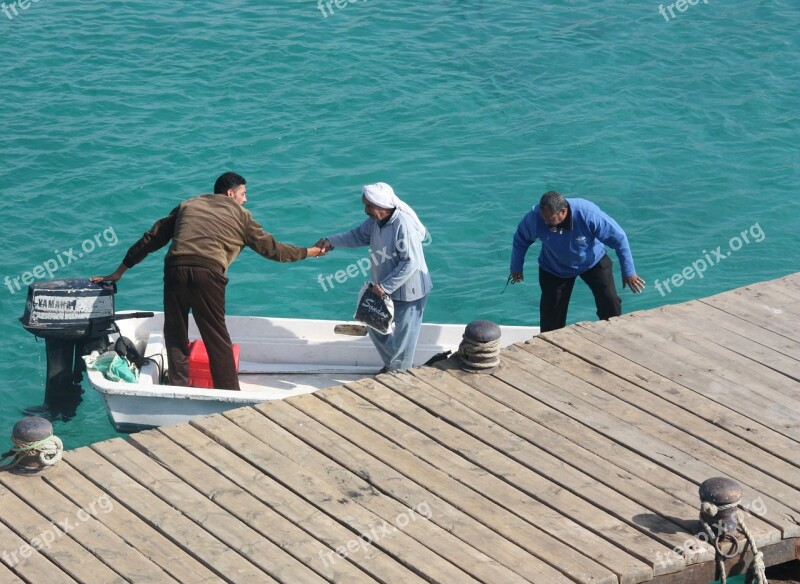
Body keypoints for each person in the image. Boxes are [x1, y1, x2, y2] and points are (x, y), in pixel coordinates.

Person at [92, 172, 327, 390]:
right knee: (216, 338)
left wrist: (119, 271)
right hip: (208, 273)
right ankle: (229, 394)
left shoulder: (188, 204)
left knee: (175, 333)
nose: (245, 200)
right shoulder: (242, 216)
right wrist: (311, 251)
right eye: (243, 194)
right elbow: (274, 251)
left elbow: (151, 239)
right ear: (230, 193)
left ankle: (178, 388)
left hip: (175, 269)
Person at [317, 182, 432, 373]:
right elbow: (357, 236)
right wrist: (331, 241)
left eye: (369, 206)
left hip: (409, 292)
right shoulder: (376, 222)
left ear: (382, 205)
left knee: (404, 339)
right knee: (374, 325)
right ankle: (395, 366)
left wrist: (386, 286)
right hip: (384, 289)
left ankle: (399, 375)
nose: (365, 210)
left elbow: (411, 262)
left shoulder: (404, 225)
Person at [509, 190, 645, 332]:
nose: (545, 222)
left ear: (563, 211)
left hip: (592, 262)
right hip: (554, 267)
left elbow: (619, 238)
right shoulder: (535, 217)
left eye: (550, 219)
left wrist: (629, 272)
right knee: (551, 318)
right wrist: (516, 266)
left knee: (610, 303)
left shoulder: (588, 213)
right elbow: (521, 240)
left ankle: (613, 334)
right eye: (544, 219)